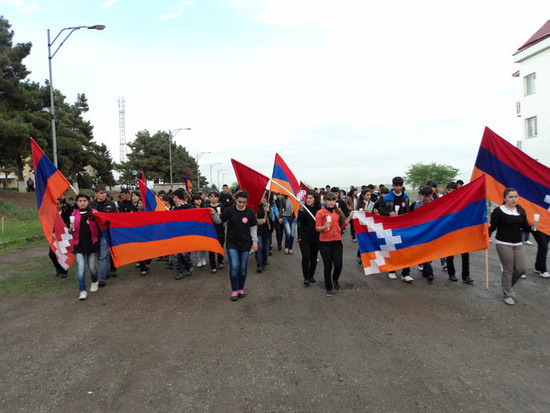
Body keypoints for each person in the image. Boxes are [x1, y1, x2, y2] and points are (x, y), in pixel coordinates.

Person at [489, 188, 538, 305]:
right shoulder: (498, 211)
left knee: (521, 269)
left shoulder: (520, 210)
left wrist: (533, 227)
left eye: (515, 196)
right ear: (505, 198)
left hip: (518, 243)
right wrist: (487, 226)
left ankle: (507, 286)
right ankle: (507, 294)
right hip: (503, 243)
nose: (513, 199)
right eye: (510, 197)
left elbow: (525, 227)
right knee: (508, 268)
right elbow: (492, 227)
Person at [220, 190, 258, 301]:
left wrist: (255, 242)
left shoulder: (250, 212)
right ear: (235, 200)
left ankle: (241, 288)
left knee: (243, 268)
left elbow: (253, 228)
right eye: (239, 202)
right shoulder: (229, 211)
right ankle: (234, 289)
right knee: (234, 267)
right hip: (232, 243)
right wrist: (213, 214)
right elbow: (219, 221)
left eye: (244, 202)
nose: (241, 204)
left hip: (245, 244)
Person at [316, 191, 354, 297]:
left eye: (333, 200)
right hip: (324, 243)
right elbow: (317, 228)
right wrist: (325, 226)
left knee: (338, 265)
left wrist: (349, 217)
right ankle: (328, 286)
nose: (331, 202)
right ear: (325, 201)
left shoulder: (338, 211)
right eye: (329, 200)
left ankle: (335, 280)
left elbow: (341, 226)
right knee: (328, 266)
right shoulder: (320, 212)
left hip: (337, 242)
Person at [379, 177, 413, 282]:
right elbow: (380, 210)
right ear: (393, 185)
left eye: (400, 185)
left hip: (403, 227)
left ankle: (406, 273)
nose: (398, 187)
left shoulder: (406, 197)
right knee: (392, 248)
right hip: (390, 227)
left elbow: (408, 211)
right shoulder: (386, 198)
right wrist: (389, 213)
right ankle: (391, 269)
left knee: (405, 249)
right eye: (396, 185)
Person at [69, 193, 100, 301]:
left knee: (92, 267)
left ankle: (94, 281)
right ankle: (82, 290)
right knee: (81, 268)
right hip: (79, 245)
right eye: (80, 201)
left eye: (84, 201)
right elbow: (71, 231)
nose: (82, 203)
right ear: (77, 203)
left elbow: (101, 224)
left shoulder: (94, 213)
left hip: (92, 244)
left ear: (88, 201)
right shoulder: (73, 214)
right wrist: (70, 228)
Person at [444, 182, 474, 283]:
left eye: (454, 190)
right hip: (449, 231)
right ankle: (451, 273)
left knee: (465, 254)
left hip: (461, 230)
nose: (452, 192)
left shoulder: (462, 200)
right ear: (447, 190)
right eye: (450, 190)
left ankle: (466, 275)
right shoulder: (443, 202)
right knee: (450, 254)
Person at [89, 185, 118, 286]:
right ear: (95, 194)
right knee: (99, 255)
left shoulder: (111, 204)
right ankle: (106, 271)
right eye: (101, 193)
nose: (103, 195)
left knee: (104, 256)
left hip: (106, 233)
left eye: (105, 193)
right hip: (95, 233)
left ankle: (102, 278)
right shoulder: (91, 205)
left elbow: (116, 218)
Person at [297, 191, 321, 286]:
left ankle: (311, 275)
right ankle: (306, 277)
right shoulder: (303, 209)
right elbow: (300, 220)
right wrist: (301, 210)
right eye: (307, 198)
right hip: (304, 237)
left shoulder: (319, 210)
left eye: (311, 198)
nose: (308, 200)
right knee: (306, 256)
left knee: (313, 257)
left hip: (316, 237)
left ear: (315, 199)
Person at [255, 193, 271, 273]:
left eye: (264, 197)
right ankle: (259, 264)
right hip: (258, 231)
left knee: (265, 248)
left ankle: (264, 263)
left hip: (266, 230)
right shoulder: (255, 208)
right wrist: (261, 221)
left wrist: (268, 212)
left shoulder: (266, 206)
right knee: (259, 247)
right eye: (262, 197)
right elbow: (253, 220)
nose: (264, 199)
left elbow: (271, 217)